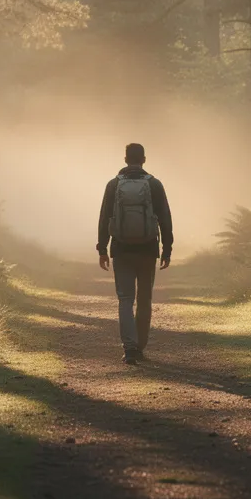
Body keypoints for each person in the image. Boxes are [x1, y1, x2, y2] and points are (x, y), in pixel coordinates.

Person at [97, 143, 173, 365]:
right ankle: (140, 345)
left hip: (121, 250)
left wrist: (102, 248)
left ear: (125, 159)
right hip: (148, 250)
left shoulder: (113, 185)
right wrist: (167, 248)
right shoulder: (155, 185)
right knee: (145, 299)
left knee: (125, 298)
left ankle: (130, 349)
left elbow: (104, 218)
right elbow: (165, 219)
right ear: (144, 160)